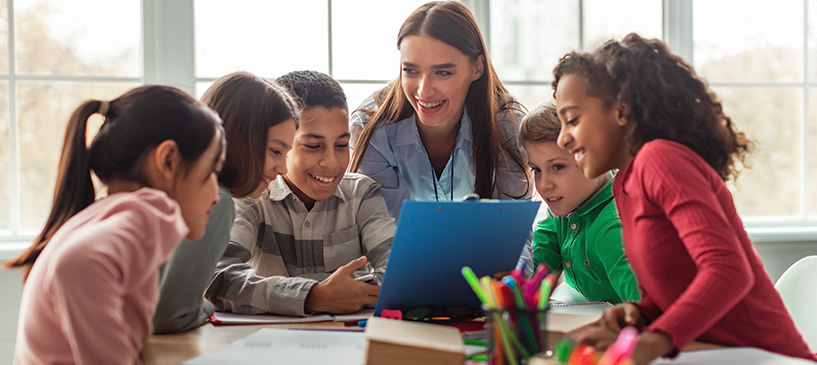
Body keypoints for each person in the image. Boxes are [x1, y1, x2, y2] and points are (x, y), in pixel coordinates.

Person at [553, 33, 816, 363]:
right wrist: (638, 314)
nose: (563, 138)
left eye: (573, 119)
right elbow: (665, 295)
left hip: (766, 358)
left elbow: (728, 271)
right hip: (714, 355)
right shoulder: (624, 187)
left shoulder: (660, 160)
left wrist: (654, 342)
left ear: (621, 109)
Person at [6, 85, 225, 364]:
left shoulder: (107, 214)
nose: (216, 195)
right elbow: (77, 262)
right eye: (212, 171)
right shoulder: (138, 216)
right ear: (168, 161)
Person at [206, 70, 394, 316]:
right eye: (313, 146)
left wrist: (282, 292)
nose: (332, 162)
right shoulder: (252, 196)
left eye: (340, 145)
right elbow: (219, 280)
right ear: (283, 144)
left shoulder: (362, 194)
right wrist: (314, 296)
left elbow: (397, 276)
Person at [350, 1, 531, 218]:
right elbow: (384, 231)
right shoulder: (370, 128)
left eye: (443, 73)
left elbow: (513, 232)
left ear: (477, 68)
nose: (424, 92)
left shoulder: (507, 127)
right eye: (411, 70)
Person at [152, 72, 299, 334]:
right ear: (240, 139)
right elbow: (170, 316)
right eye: (275, 151)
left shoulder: (173, 189)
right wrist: (207, 306)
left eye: (287, 154)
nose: (283, 168)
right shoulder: (214, 201)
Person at [520, 101, 638, 303]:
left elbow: (644, 307)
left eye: (557, 167)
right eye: (536, 170)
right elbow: (543, 252)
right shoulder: (568, 206)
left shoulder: (611, 229)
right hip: (582, 302)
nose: (544, 184)